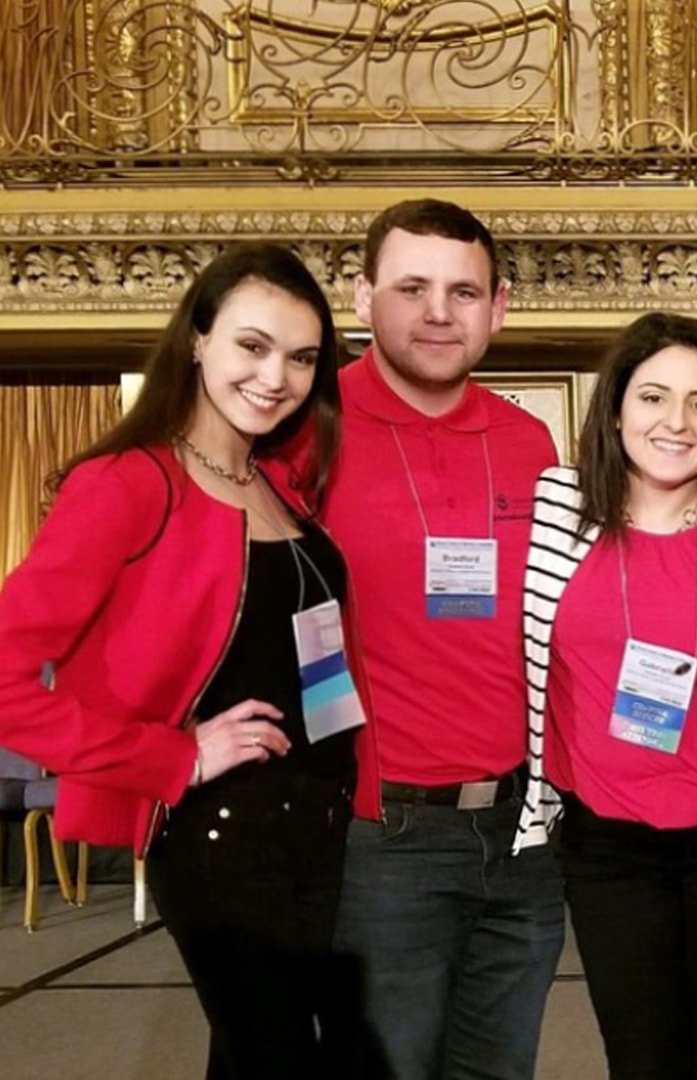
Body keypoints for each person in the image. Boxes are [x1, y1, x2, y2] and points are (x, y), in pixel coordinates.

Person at [0, 242, 369, 1079]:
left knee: (259, 1057)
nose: (276, 376)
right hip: (221, 829)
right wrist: (174, 754)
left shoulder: (281, 485)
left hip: (318, 819)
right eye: (252, 345)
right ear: (197, 339)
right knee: (277, 1056)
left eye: (303, 357)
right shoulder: (130, 483)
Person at [515, 313, 697, 1079]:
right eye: (653, 398)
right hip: (606, 847)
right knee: (640, 1062)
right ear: (615, 409)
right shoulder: (557, 510)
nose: (676, 422)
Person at [320, 199, 565, 1080]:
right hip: (382, 836)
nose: (437, 312)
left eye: (463, 292)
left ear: (497, 308)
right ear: (360, 298)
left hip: (523, 833)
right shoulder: (306, 430)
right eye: (411, 287)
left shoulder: (528, 441)